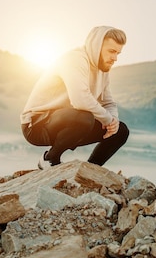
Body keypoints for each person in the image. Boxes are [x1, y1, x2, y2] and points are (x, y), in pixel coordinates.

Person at [20, 26, 130, 169]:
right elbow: (80, 99)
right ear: (97, 47)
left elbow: (108, 101)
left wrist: (113, 121)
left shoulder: (102, 68)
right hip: (37, 124)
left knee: (121, 131)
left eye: (118, 53)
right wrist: (107, 119)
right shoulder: (75, 59)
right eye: (111, 51)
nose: (115, 58)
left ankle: (90, 169)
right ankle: (49, 159)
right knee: (85, 118)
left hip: (68, 120)